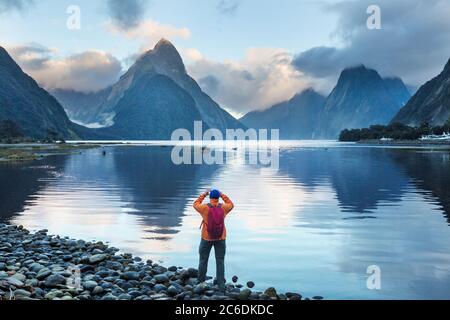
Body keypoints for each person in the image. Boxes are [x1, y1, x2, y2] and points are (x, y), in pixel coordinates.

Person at [193, 189, 234, 291]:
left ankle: (200, 282)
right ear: (218, 197)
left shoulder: (204, 208)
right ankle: (221, 285)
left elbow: (195, 204)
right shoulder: (224, 207)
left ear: (210, 197)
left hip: (206, 238)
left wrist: (204, 194)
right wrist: (222, 194)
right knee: (220, 261)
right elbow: (231, 204)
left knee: (203, 259)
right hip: (221, 238)